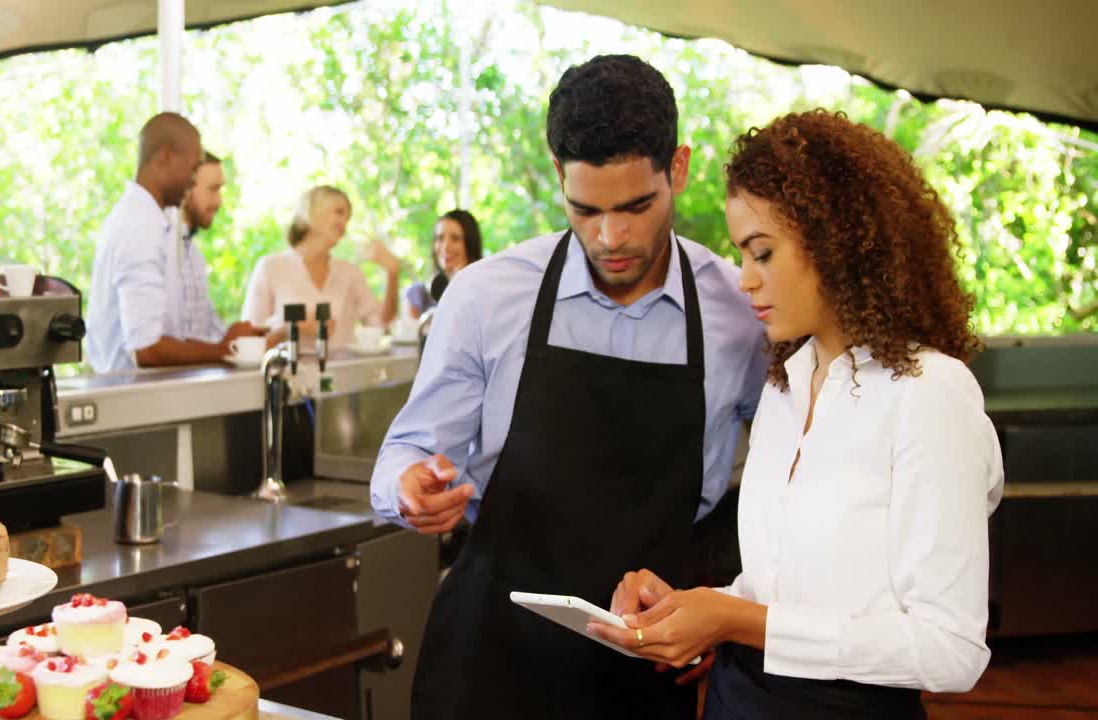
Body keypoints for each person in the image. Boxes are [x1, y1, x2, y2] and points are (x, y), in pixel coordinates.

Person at [369, 55, 768, 719]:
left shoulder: (740, 309)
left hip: (642, 669)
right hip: (488, 665)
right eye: (585, 209)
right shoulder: (485, 297)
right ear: (558, 174)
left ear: (679, 169)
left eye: (636, 207)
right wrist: (410, 489)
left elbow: (782, 485)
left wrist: (724, 602)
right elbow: (405, 453)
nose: (611, 238)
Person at [589, 110, 1005, 719]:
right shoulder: (785, 386)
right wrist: (694, 608)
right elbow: (779, 590)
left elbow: (951, 650)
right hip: (736, 701)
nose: (744, 280)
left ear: (835, 241)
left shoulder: (929, 394)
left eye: (762, 253)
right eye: (740, 256)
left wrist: (738, 620)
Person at [86, 114, 263, 373]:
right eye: (192, 169)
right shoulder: (140, 225)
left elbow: (172, 336)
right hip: (130, 402)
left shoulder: (149, 222)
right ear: (165, 156)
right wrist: (225, 350)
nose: (192, 181)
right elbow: (147, 349)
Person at [240, 185, 401, 350]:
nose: (344, 224)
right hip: (286, 374)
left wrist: (393, 273)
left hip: (343, 374)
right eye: (339, 212)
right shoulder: (270, 268)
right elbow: (249, 343)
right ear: (310, 210)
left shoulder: (350, 273)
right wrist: (290, 326)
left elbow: (381, 326)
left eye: (348, 217)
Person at [404, 209, 483, 318]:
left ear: (470, 245)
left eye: (455, 238)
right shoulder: (418, 294)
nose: (445, 246)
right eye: (440, 238)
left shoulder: (483, 293)